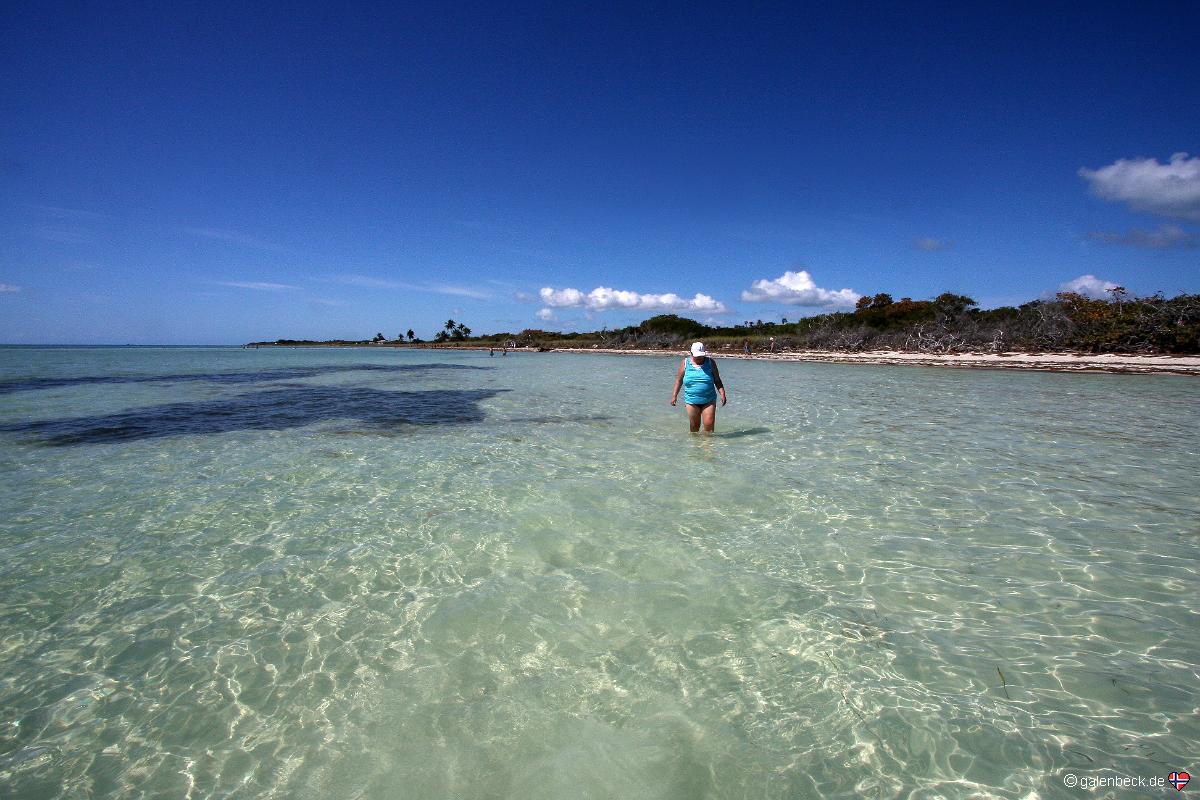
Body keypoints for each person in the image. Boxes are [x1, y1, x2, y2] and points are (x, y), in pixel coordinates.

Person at [671, 342, 727, 433]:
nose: (700, 358)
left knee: (709, 427)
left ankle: (708, 446)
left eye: (701, 355)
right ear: (691, 353)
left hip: (709, 400)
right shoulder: (685, 363)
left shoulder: (710, 362)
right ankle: (695, 446)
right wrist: (674, 396)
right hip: (691, 400)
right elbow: (679, 380)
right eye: (697, 356)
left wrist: (722, 393)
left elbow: (717, 380)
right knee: (694, 428)